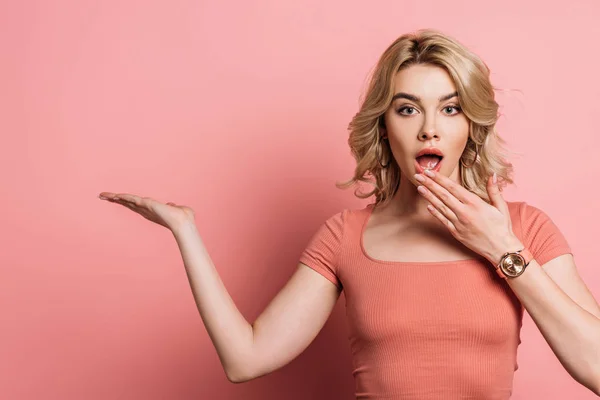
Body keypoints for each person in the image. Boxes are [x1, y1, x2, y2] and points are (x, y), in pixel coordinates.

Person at [98, 29, 600, 399]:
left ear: (471, 124)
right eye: (407, 109)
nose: (429, 128)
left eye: (450, 109)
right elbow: (245, 359)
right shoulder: (345, 236)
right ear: (383, 127)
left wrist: (502, 248)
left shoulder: (525, 227)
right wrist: (185, 231)